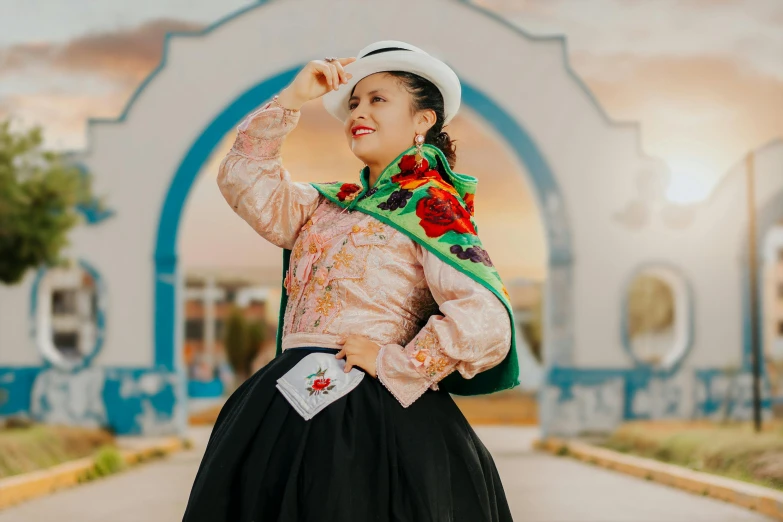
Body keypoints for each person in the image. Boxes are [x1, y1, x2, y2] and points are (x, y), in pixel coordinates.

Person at [182, 40, 518, 522]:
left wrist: (394, 362)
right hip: (284, 408)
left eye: (378, 99)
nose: (359, 112)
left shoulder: (432, 208)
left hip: (371, 422)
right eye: (354, 102)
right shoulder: (324, 205)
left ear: (423, 120)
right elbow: (243, 180)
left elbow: (487, 321)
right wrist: (293, 100)